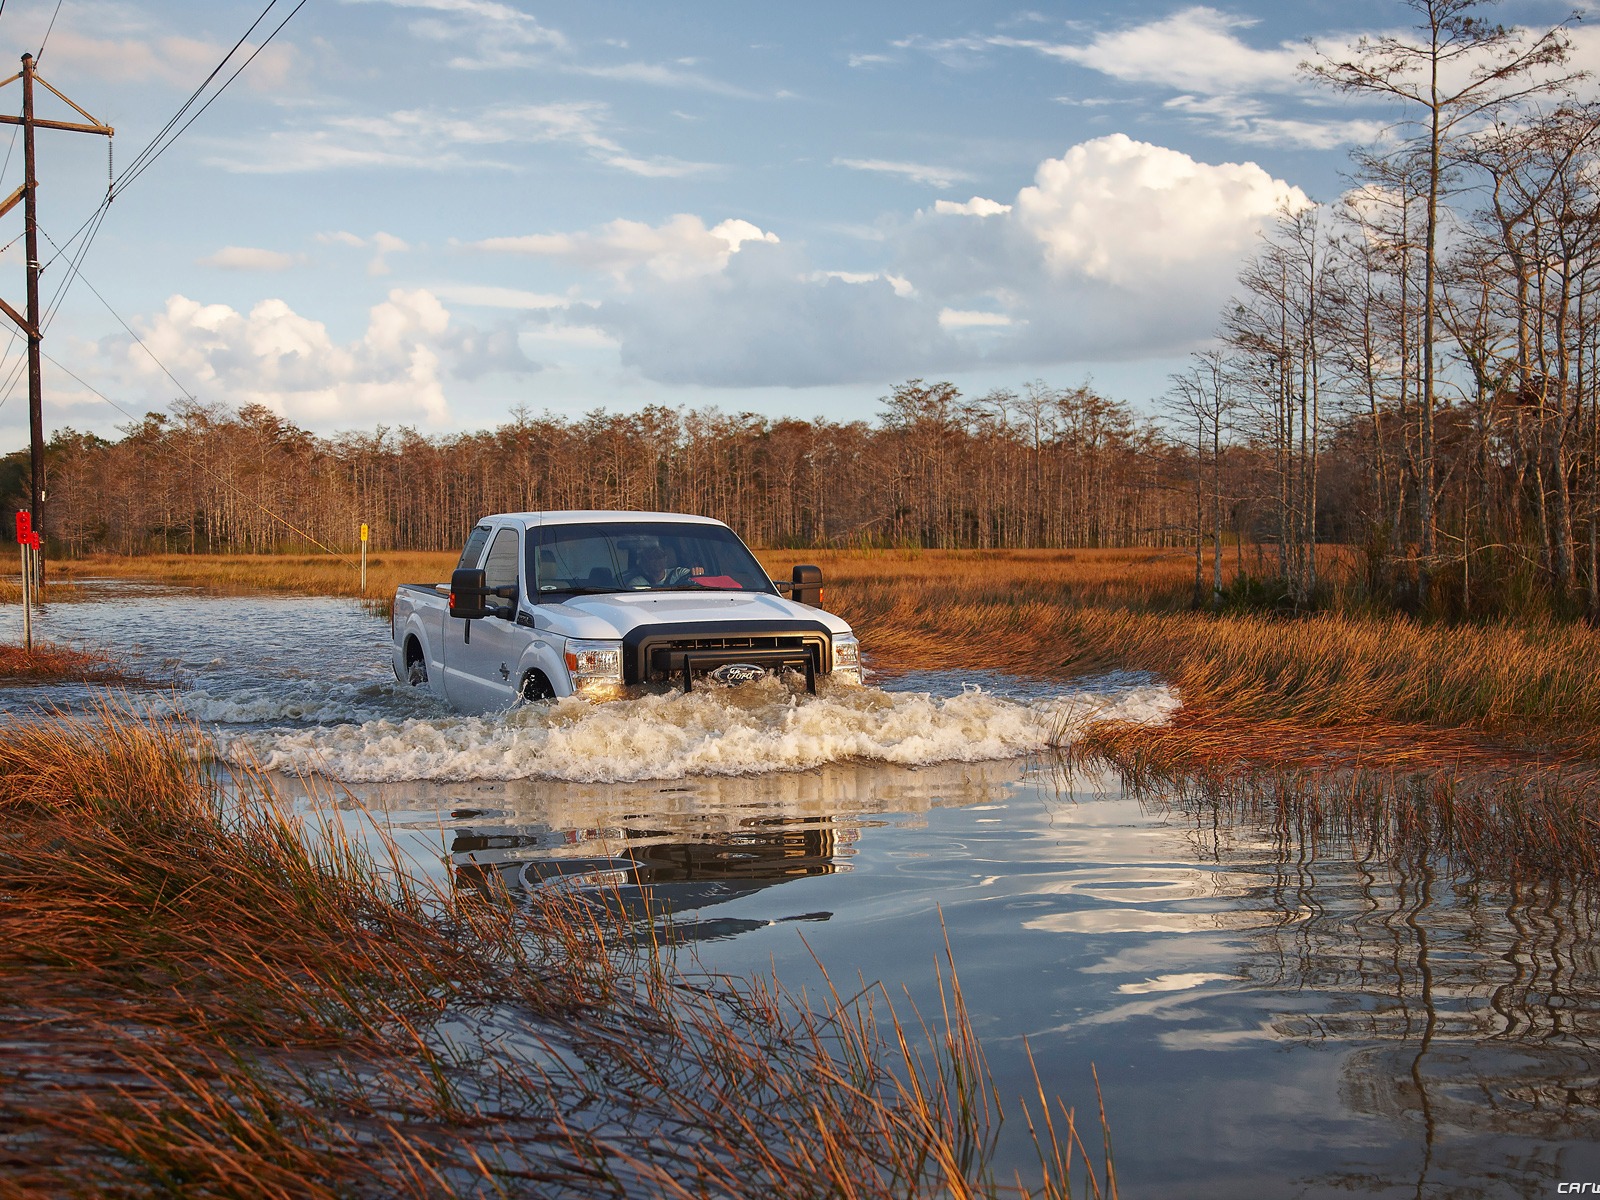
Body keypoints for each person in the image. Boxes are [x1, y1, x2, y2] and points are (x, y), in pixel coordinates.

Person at [625, 543, 693, 587]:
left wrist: (696, 572)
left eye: (659, 557)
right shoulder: (637, 583)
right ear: (645, 562)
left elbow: (694, 578)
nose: (657, 561)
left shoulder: (679, 573)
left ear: (665, 559)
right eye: (652, 558)